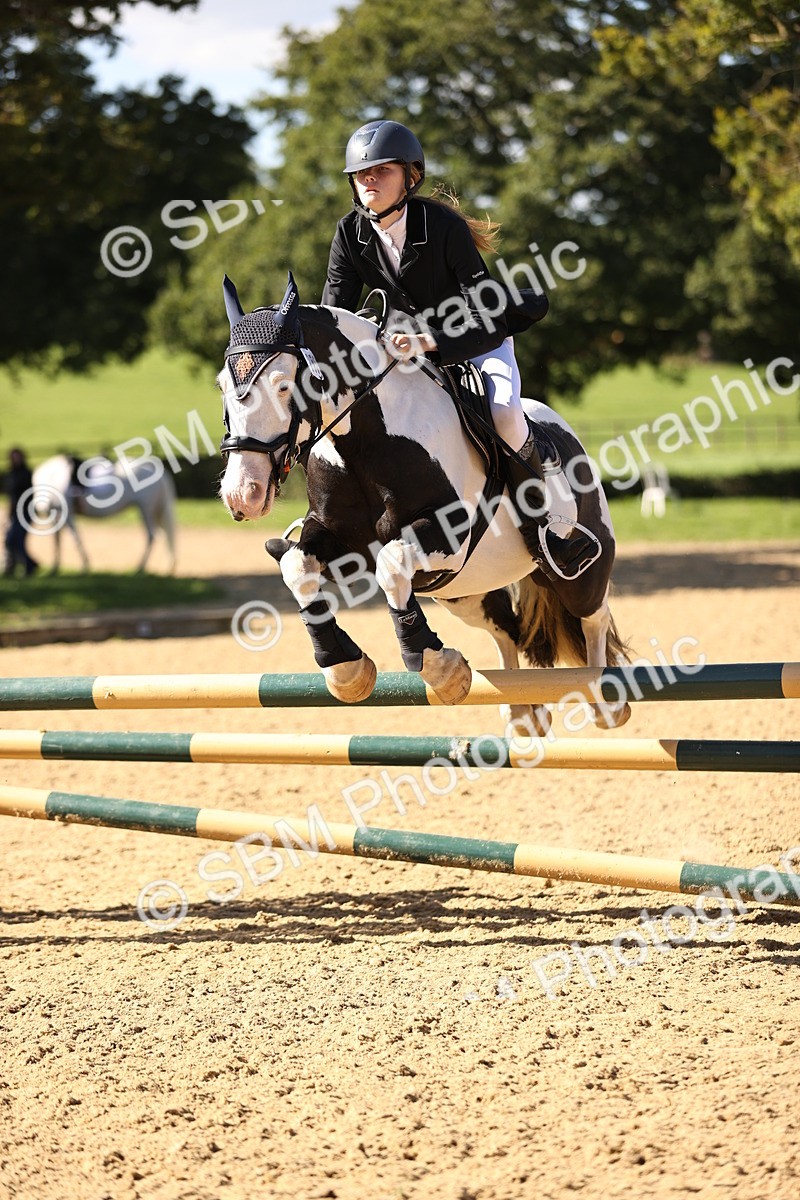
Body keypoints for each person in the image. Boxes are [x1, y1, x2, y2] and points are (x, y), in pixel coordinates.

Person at [322, 118, 597, 582]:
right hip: (405, 355)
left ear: (411, 176)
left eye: (381, 171)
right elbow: (335, 310)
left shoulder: (443, 226)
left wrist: (431, 339)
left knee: (506, 415)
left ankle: (550, 526)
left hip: (476, 340)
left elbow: (483, 309)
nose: (369, 180)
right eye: (361, 174)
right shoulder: (351, 233)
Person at [4, 447, 38, 577]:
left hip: (24, 512)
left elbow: (28, 495)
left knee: (17, 541)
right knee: (11, 541)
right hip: (15, 513)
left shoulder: (25, 473)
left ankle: (29, 565)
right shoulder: (10, 473)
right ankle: (20, 566)